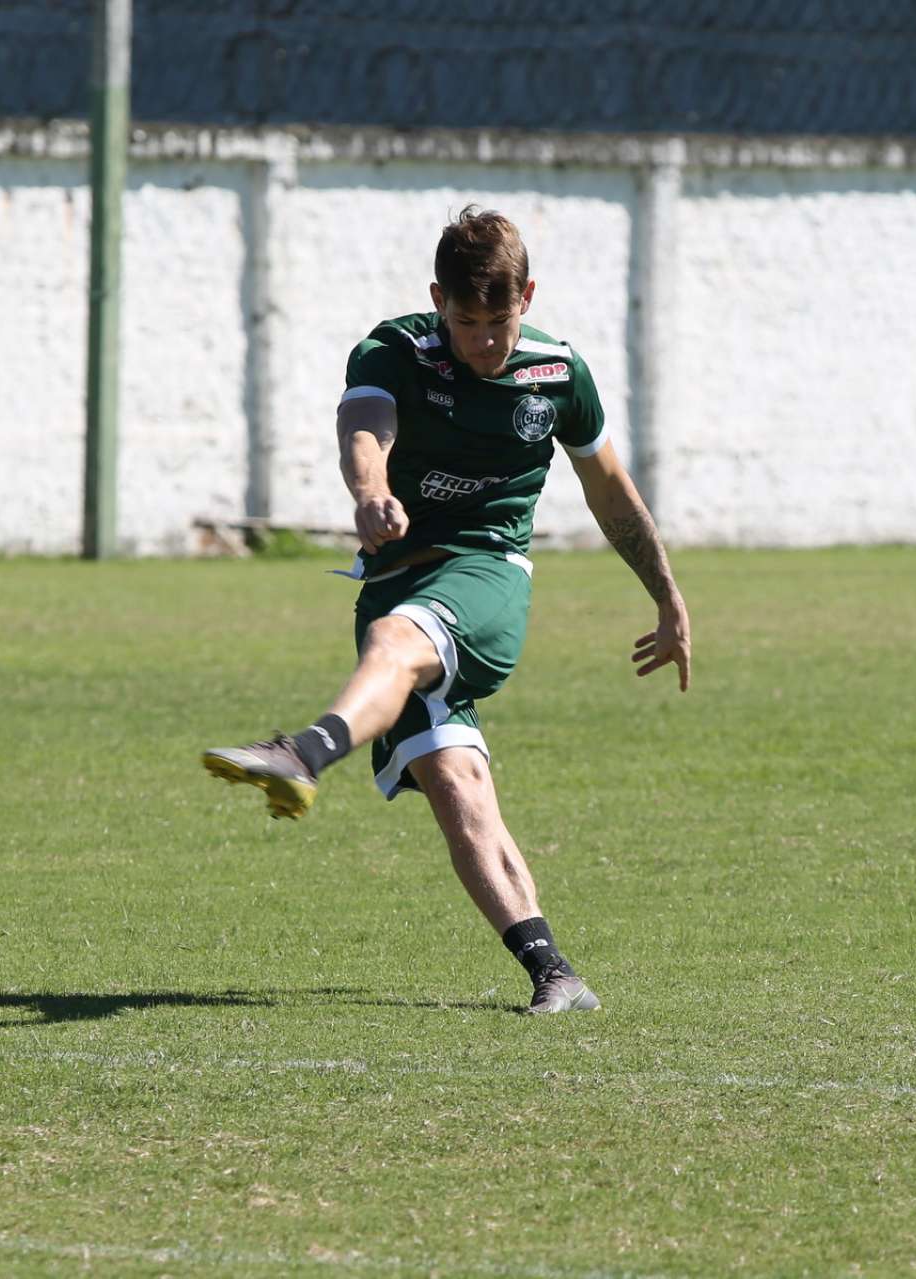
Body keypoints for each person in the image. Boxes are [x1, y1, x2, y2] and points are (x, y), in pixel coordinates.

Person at [202, 206, 690, 1015]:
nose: (483, 342)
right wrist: (371, 492)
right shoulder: (394, 348)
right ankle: (554, 972)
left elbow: (609, 490)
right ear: (438, 300)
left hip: (487, 577)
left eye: (497, 322)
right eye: (465, 322)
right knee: (457, 785)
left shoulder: (556, 372)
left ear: (525, 297)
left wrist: (668, 596)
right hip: (395, 579)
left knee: (399, 640)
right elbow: (364, 425)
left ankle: (304, 752)